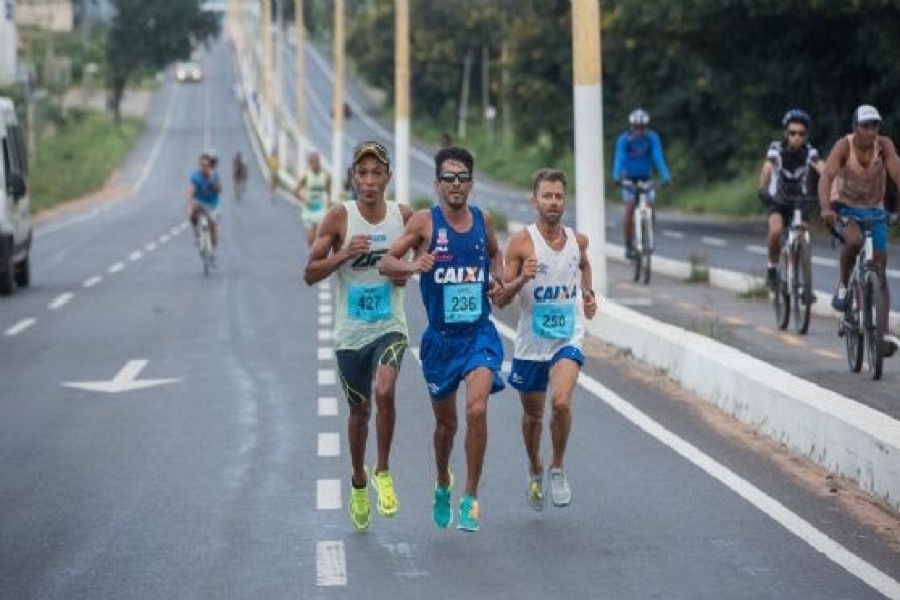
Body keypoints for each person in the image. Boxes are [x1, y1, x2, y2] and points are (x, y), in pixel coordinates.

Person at [379, 146, 507, 533]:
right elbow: (387, 262)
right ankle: (441, 482)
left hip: (479, 335)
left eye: (462, 177)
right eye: (448, 178)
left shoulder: (483, 220)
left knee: (477, 411)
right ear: (437, 184)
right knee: (446, 427)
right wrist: (413, 264)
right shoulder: (424, 222)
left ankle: (470, 497)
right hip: (440, 342)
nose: (456, 184)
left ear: (471, 183)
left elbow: (496, 255)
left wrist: (498, 278)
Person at [303, 141, 413, 532]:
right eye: (362, 173)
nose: (369, 181)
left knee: (385, 390)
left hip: (390, 326)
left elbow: (423, 259)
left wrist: (405, 270)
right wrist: (344, 255)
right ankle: (358, 479)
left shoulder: (403, 216)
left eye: (376, 173)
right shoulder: (337, 218)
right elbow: (310, 273)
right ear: (353, 177)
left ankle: (382, 469)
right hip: (350, 334)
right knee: (359, 412)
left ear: (387, 178)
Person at [499, 168, 598, 511]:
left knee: (560, 403)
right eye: (547, 196)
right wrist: (519, 278)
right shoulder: (521, 243)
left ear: (564, 201)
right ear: (534, 200)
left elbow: (583, 265)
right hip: (531, 343)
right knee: (533, 417)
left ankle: (556, 466)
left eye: (558, 196)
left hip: (566, 338)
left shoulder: (577, 240)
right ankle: (534, 466)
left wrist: (588, 293)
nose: (553, 202)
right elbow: (500, 298)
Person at [819, 104, 900, 355]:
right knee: (852, 242)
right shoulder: (844, 146)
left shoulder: (884, 146)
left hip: (875, 210)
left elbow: (898, 172)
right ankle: (843, 285)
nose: (870, 131)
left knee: (880, 267)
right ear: (855, 128)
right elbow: (826, 177)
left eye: (874, 125)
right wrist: (825, 208)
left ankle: (883, 334)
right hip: (845, 208)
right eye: (865, 126)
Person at [757, 109, 826, 290]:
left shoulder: (810, 152)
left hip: (800, 202)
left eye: (801, 134)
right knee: (776, 230)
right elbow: (767, 168)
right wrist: (762, 188)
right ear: (785, 133)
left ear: (806, 136)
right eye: (792, 133)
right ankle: (772, 268)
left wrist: (833, 189)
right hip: (778, 200)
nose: (796, 137)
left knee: (804, 236)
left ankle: (803, 276)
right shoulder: (776, 149)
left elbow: (823, 169)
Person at [612, 108, 672, 259]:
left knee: (650, 207)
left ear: (646, 127)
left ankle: (647, 234)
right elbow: (620, 158)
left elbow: (658, 157)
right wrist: (616, 176)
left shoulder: (651, 138)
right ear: (632, 127)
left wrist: (666, 176)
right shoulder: (625, 140)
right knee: (629, 209)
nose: (639, 131)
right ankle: (628, 245)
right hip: (629, 180)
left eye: (642, 127)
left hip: (646, 178)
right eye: (636, 127)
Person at [187, 151, 222, 265]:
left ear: (210, 165)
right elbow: (191, 191)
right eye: (202, 165)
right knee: (193, 209)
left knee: (213, 224)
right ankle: (196, 232)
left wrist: (213, 180)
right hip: (201, 202)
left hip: (213, 204)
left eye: (206, 165)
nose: (204, 168)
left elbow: (219, 190)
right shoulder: (195, 176)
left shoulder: (214, 175)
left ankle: (214, 252)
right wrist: (190, 201)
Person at [294, 151, 332, 247]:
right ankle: (312, 252)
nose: (316, 164)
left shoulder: (326, 175)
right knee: (310, 236)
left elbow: (328, 191)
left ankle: (317, 253)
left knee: (320, 233)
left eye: (317, 161)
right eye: (313, 162)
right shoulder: (306, 176)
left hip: (321, 207)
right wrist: (305, 201)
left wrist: (328, 201)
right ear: (310, 163)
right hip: (309, 207)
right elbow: (296, 192)